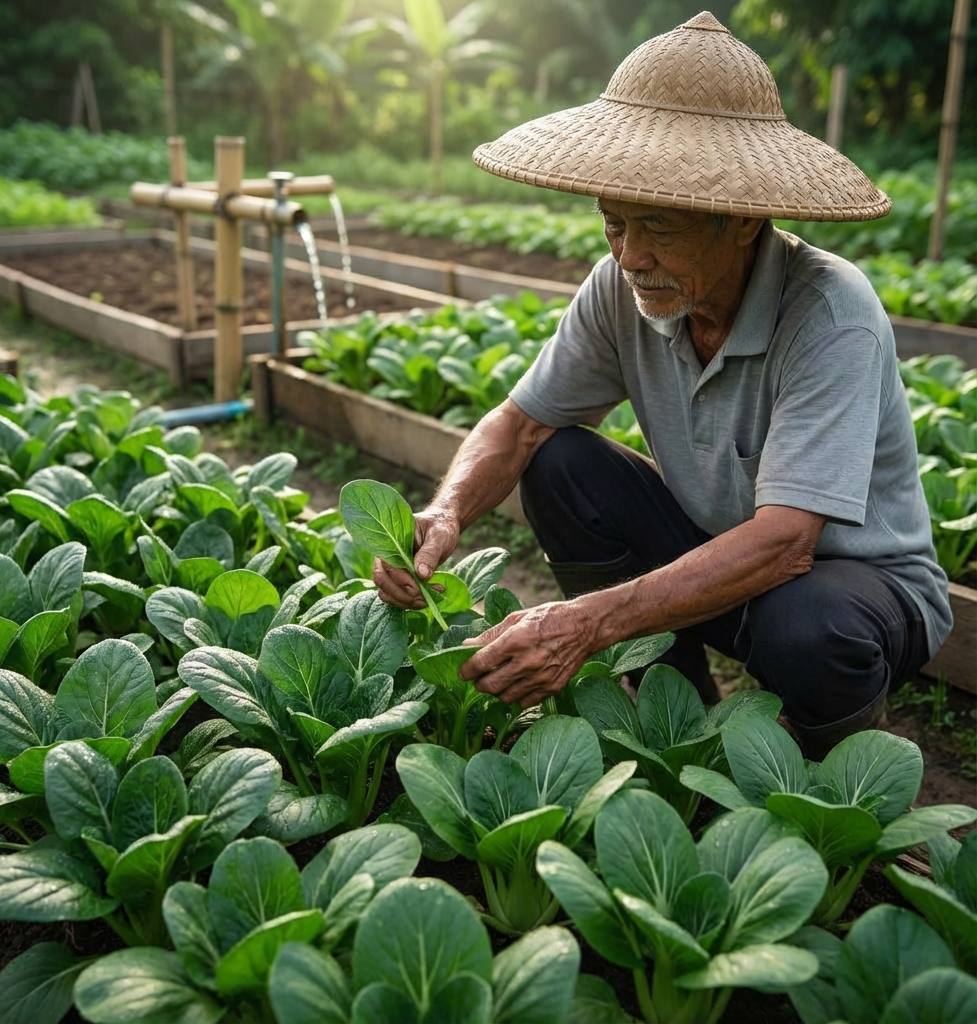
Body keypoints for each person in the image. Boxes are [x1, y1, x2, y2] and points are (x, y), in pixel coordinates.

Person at [372, 11, 952, 759]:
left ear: (743, 221)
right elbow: (518, 426)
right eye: (614, 224)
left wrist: (586, 621)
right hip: (718, 560)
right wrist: (445, 512)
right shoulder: (620, 287)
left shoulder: (831, 311)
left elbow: (784, 547)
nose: (631, 255)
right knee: (560, 464)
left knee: (806, 627)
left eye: (661, 228)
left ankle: (838, 772)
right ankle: (676, 719)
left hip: (856, 588)